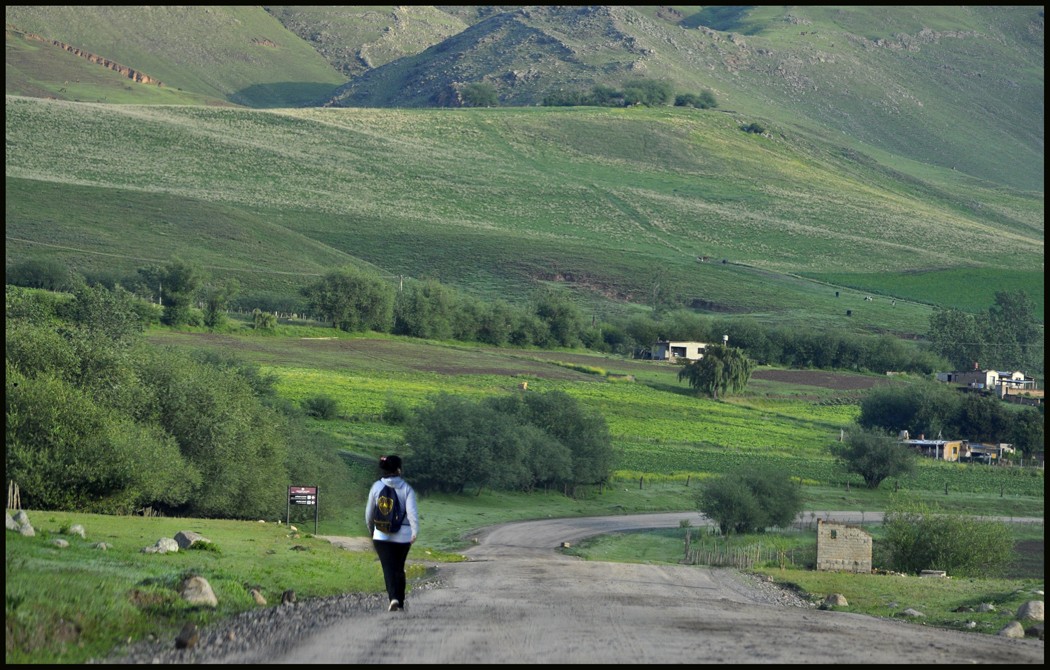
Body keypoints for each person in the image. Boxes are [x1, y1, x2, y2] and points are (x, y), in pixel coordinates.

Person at [365, 454, 419, 612]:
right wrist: (414, 532)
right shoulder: (406, 488)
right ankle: (400, 602)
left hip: (381, 535)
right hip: (403, 536)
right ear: (399, 470)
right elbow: (412, 514)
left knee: (388, 567)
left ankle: (393, 598)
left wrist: (372, 531)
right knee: (399, 567)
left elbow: (369, 513)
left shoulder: (376, 487)